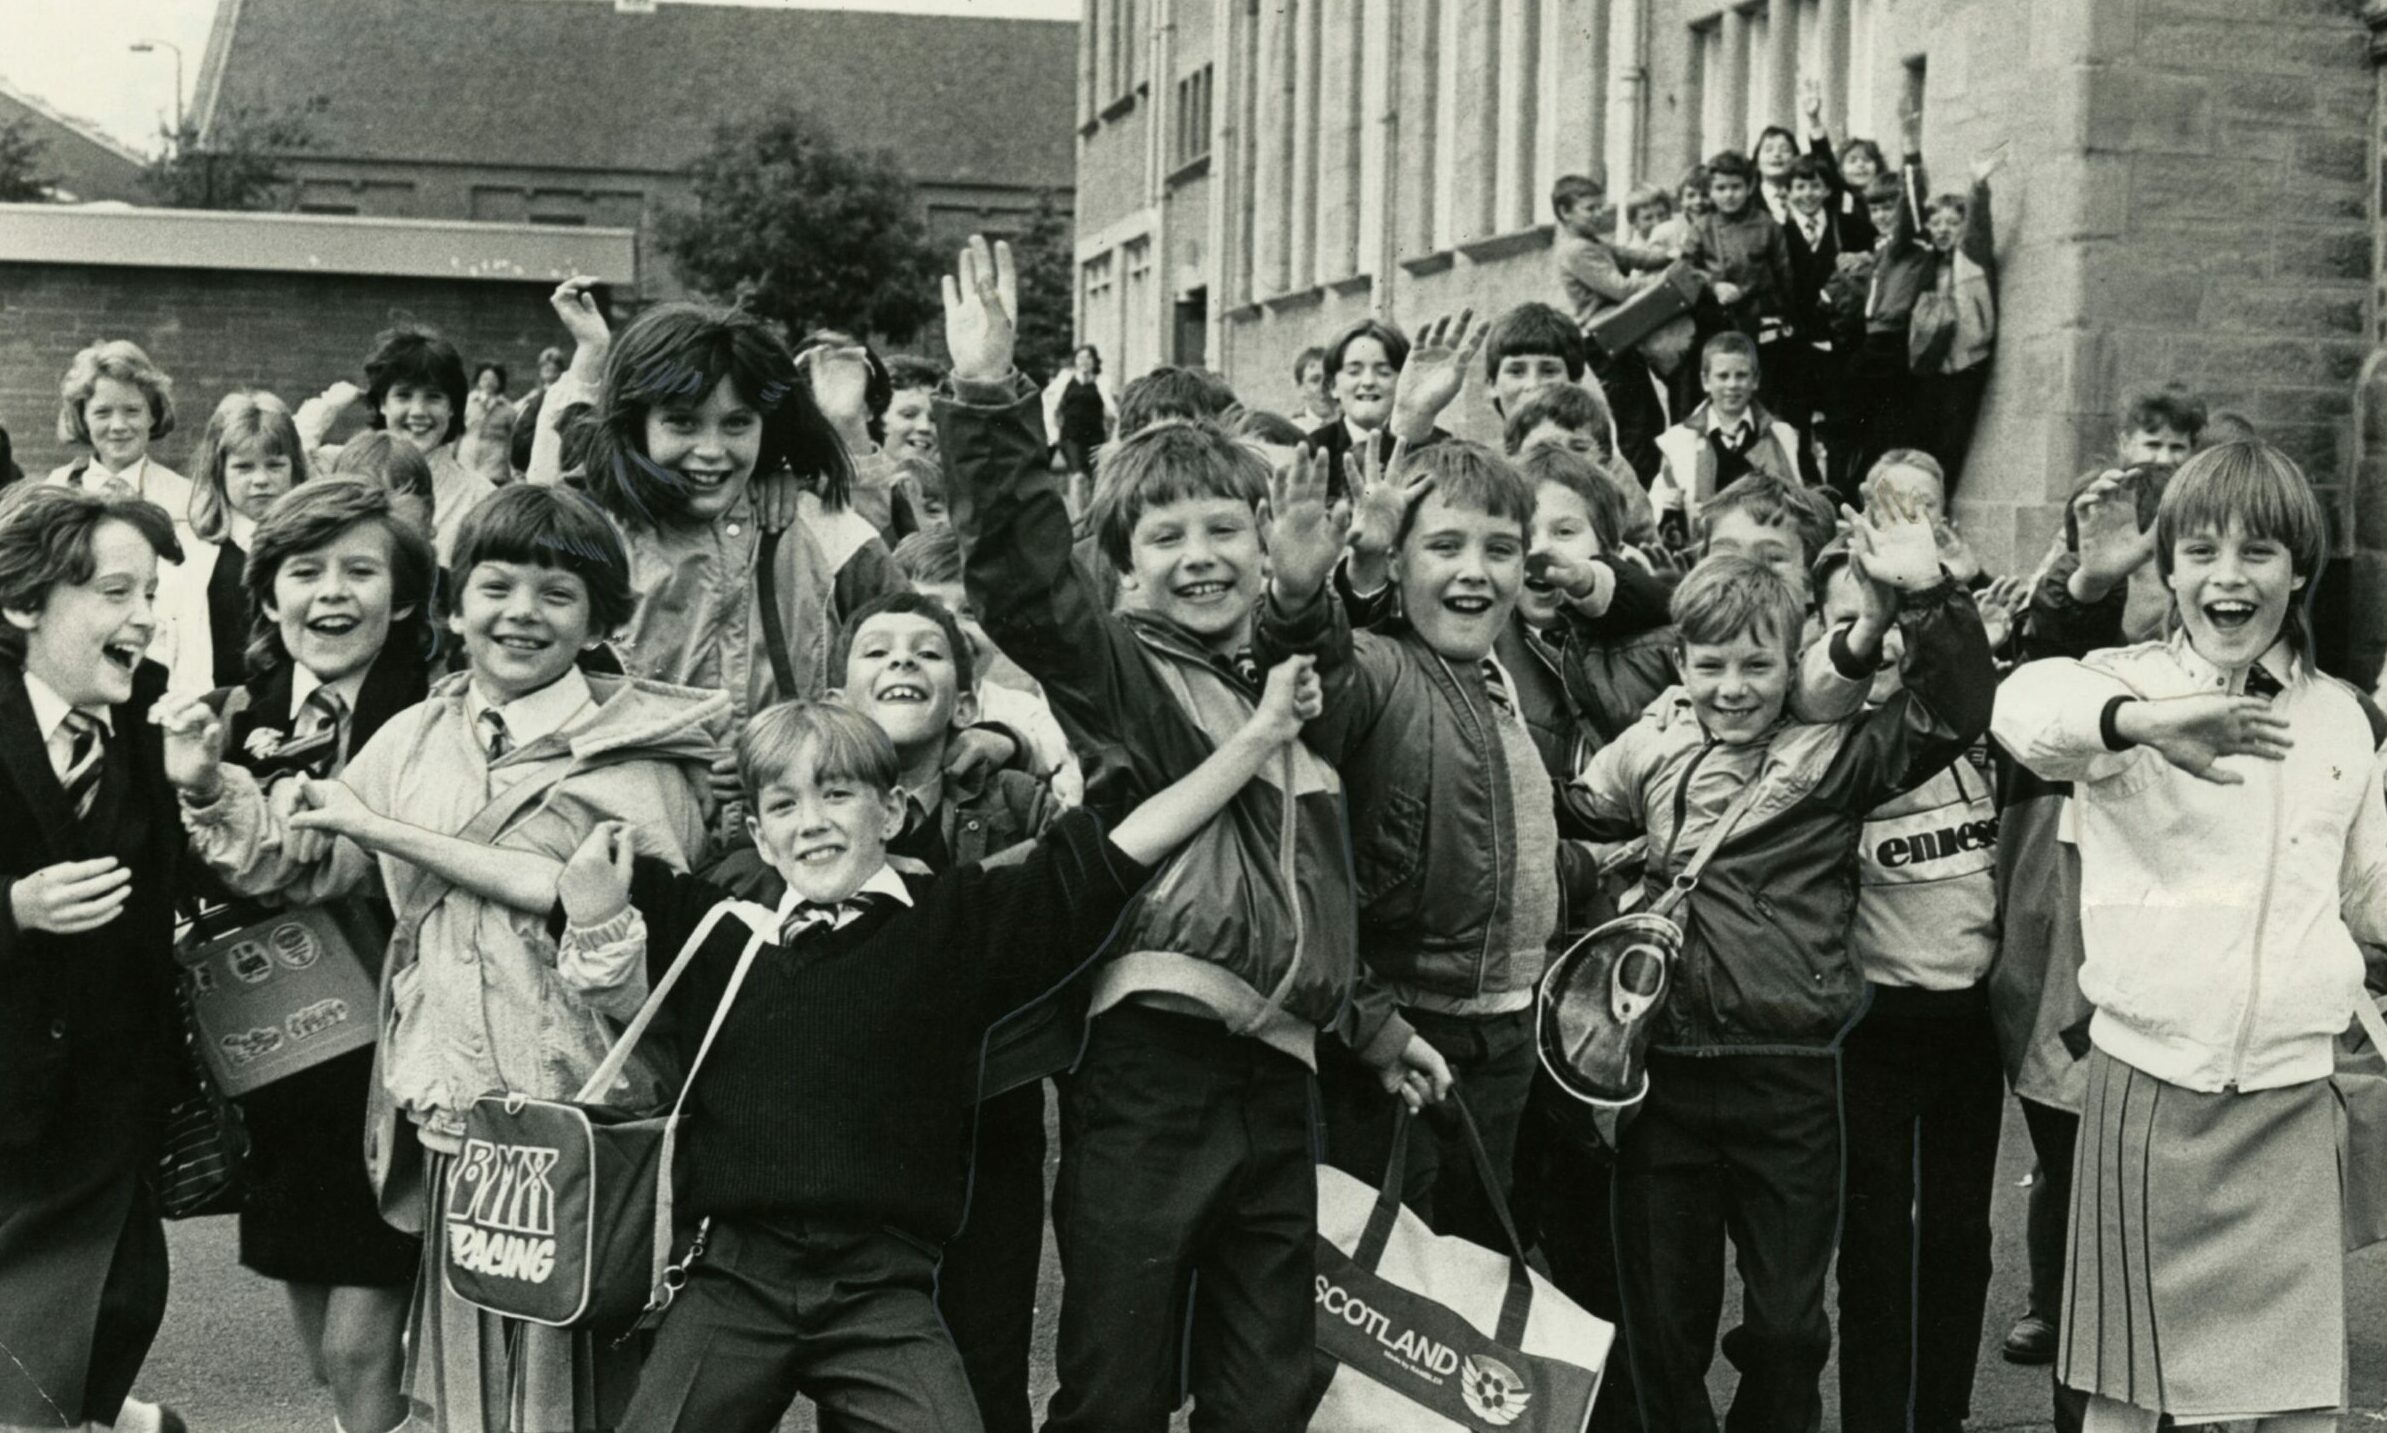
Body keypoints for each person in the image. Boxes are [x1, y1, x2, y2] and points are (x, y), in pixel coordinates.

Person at [938, 236, 1448, 1432]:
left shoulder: (1285, 696)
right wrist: (988, 393)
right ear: (1120, 573)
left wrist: (1373, 1025)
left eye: (1223, 528)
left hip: (1283, 1083)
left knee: (1266, 1386)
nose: (1199, 555)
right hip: (1153, 1077)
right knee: (1116, 1382)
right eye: (1163, 539)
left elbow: (1309, 889)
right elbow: (1021, 583)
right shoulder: (1127, 682)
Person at [162, 483, 726, 1433]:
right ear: (456, 608)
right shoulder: (418, 733)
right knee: (467, 1395)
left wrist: (388, 830)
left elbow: (632, 954)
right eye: (497, 586)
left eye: (557, 594)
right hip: (453, 1123)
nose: (520, 613)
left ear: (596, 621)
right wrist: (211, 787)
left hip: (581, 1123)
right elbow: (313, 856)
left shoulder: (638, 757)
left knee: (578, 1396)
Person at [1568, 495, 1996, 1433]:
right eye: (1710, 664)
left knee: (1789, 1332)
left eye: (1757, 664)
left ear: (1793, 662)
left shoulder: (1830, 758)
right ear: (1678, 665)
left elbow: (1954, 710)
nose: (1732, 686)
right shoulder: (1644, 749)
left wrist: (1924, 593)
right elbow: (1567, 825)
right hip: (1663, 1079)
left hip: (1792, 1080)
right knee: (1662, 1332)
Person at [1993, 440, 2387, 1433]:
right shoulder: (2111, 686)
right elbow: (2016, 708)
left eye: (2257, 551)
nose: (2226, 574)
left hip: (2292, 1100)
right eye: (2200, 550)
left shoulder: (2342, 719)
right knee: (2126, 1403)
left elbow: (2370, 895)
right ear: (2165, 568)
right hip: (2149, 1092)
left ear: (2298, 568)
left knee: (2299, 1405)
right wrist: (2138, 721)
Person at [1261, 440, 1602, 1250]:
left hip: (1506, 1032)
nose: (1473, 572)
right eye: (1444, 547)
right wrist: (1305, 592)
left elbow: (1501, 835)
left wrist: (1594, 868)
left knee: (1473, 1270)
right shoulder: (1382, 667)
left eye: (1500, 549)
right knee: (1381, 1286)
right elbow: (1320, 676)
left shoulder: (1504, 679)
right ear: (1397, 560)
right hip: (1401, 1034)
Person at [198, 478, 438, 1433]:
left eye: (360, 570)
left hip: (392, 1049)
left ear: (408, 596)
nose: (330, 593)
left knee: (356, 1348)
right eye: (305, 571)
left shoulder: (432, 711)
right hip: (277, 1048)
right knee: (321, 1350)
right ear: (268, 595)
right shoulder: (228, 715)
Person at [0, 486, 188, 1433]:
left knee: (98, 1331)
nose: (144, 617)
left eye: (150, 593)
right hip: (6, 1115)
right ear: (24, 604)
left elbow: (169, 888)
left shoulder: (148, 718)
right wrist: (12, 907)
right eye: (116, 592)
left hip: (107, 1114)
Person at [1816, 533, 2006, 1433]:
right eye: (1857, 616)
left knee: (1960, 1239)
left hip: (1968, 1022)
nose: (1883, 641)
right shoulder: (1835, 749)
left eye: (1897, 619)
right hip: (1871, 1026)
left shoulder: (1978, 742)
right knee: (1876, 1244)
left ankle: (1942, 1417)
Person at [892, 524, 1082, 806]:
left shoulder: (1023, 712)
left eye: (971, 612)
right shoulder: (876, 705)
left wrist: (1017, 745)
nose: (952, 627)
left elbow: (1060, 752)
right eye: (929, 609)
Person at [299, 325, 495, 567]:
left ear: (452, 407)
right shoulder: (344, 467)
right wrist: (329, 404)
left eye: (433, 397)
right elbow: (291, 456)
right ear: (382, 402)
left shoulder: (479, 496)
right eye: (403, 396)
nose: (418, 412)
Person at [165, 391, 311, 693]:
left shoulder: (314, 545)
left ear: (295, 467)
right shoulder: (188, 551)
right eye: (244, 467)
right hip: (212, 709)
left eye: (274, 465)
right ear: (219, 471)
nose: (260, 480)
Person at [1551, 170, 1675, 482]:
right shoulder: (1576, 250)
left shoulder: (1591, 241)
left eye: (1600, 207)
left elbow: (1632, 256)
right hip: (1604, 341)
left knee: (1648, 419)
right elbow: (1619, 288)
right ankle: (1633, 494)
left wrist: (1669, 256)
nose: (1599, 214)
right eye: (1590, 209)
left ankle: (1642, 487)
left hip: (1618, 336)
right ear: (1565, 212)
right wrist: (1666, 280)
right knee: (1637, 424)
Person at [1908, 148, 2005, 493]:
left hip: (1966, 364)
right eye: (1936, 223)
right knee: (1925, 443)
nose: (1943, 229)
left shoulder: (1971, 256)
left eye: (1952, 222)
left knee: (1952, 444)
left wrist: (1978, 185)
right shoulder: (1927, 264)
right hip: (1933, 365)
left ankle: (1941, 507)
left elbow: (1980, 225)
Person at [1649, 332, 1801, 541]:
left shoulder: (1782, 435)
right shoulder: (1678, 442)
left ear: (1755, 380)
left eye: (1741, 375)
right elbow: (1660, 509)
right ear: (1705, 381)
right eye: (1722, 376)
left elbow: (1799, 500)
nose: (1732, 385)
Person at [47, 340, 194, 525]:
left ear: (153, 415)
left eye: (132, 411)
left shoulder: (183, 497)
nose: (118, 426)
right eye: (102, 412)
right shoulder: (56, 489)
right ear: (83, 418)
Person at [1684, 151, 1794, 345]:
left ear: (1750, 187)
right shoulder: (1702, 227)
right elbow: (1686, 267)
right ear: (1709, 191)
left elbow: (1783, 273)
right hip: (1715, 313)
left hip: (1759, 314)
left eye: (1736, 187)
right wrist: (1714, 286)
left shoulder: (1767, 225)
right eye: (1721, 188)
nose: (1729, 194)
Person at [1043, 343, 1115, 507]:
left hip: (1095, 436)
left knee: (1095, 481)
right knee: (1078, 477)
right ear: (1075, 360)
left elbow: (1111, 408)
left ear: (1095, 361)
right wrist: (1052, 422)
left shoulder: (1103, 381)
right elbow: (1047, 398)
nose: (1084, 361)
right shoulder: (1066, 378)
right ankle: (1079, 524)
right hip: (1071, 436)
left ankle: (1090, 519)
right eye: (1080, 357)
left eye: (1088, 357)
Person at [457, 362, 516, 488]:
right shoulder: (466, 403)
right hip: (468, 457)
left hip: (494, 461)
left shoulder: (508, 408)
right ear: (478, 380)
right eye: (484, 378)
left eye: (493, 379)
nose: (489, 382)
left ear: (500, 382)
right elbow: (456, 432)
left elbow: (512, 438)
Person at [1292, 345, 1339, 429]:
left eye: (1329, 379)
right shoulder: (1292, 430)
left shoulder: (1354, 429)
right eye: (1315, 380)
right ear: (1300, 388)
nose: (1324, 388)